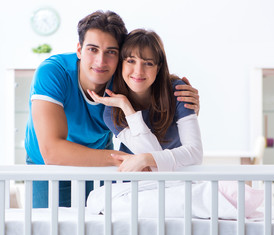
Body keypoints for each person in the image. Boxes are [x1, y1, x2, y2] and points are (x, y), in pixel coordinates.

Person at [25, 10, 200, 208]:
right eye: (92, 49)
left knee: (98, 224)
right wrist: (130, 160)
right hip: (48, 162)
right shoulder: (54, 72)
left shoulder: (123, 80)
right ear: (79, 50)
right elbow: (52, 152)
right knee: (50, 227)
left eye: (111, 52)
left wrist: (183, 102)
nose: (101, 61)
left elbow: (151, 92)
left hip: (98, 155)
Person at [88, 29, 203, 171]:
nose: (138, 71)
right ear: (121, 64)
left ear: (158, 67)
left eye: (148, 63)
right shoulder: (114, 110)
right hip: (135, 183)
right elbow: (153, 163)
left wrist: (144, 158)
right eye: (131, 61)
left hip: (177, 181)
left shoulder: (178, 91)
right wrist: (126, 108)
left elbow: (195, 154)